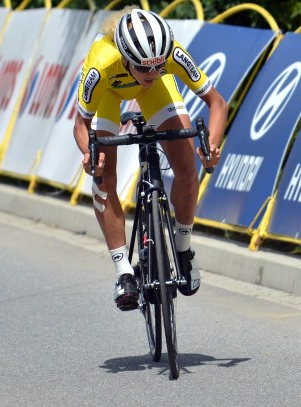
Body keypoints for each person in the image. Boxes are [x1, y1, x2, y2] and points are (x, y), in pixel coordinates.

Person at [74, 7, 227, 311]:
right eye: (145, 68)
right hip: (108, 94)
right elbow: (80, 124)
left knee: (186, 169)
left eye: (158, 66)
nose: (153, 72)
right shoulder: (101, 64)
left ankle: (182, 250)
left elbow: (217, 103)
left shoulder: (167, 54)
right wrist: (89, 156)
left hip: (156, 95)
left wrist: (211, 144)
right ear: (127, 59)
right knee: (104, 177)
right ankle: (123, 272)